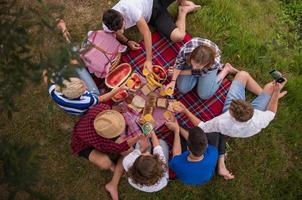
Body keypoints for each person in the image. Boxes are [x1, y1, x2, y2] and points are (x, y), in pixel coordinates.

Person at [102, 0, 201, 71]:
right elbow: (116, 32)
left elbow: (146, 33)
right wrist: (127, 41)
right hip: (154, 16)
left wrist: (149, 60)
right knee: (178, 36)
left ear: (122, 16)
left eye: (122, 27)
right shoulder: (107, 25)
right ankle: (183, 11)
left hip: (155, 2)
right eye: (118, 30)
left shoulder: (130, 8)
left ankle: (183, 1)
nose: (122, 31)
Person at [71, 103, 142, 200]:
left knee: (129, 152)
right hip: (82, 145)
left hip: (99, 128)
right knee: (105, 162)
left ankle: (113, 183)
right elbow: (121, 147)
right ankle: (113, 169)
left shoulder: (103, 108)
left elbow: (113, 108)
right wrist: (137, 138)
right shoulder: (104, 143)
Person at [199, 71, 288, 138]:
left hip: (235, 122)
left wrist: (186, 111)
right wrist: (276, 92)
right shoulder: (259, 120)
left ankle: (267, 97)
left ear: (231, 112)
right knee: (272, 87)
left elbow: (203, 127)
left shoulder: (222, 121)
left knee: (242, 74)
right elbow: (271, 112)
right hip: (251, 119)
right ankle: (268, 97)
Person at [166, 117, 233, 185]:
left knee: (178, 139)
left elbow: (176, 153)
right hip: (204, 175)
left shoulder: (178, 164)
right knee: (218, 132)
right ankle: (221, 165)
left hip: (187, 175)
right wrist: (178, 127)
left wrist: (176, 131)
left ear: (188, 148)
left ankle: (221, 166)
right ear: (206, 145)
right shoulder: (213, 152)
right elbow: (192, 140)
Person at [166, 38, 238, 99]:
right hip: (198, 62)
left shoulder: (213, 63)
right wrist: (173, 81)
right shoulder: (186, 50)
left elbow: (197, 72)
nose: (194, 67)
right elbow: (179, 64)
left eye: (198, 66)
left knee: (204, 95)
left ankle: (226, 69)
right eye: (193, 63)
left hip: (206, 69)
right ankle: (200, 79)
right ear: (191, 56)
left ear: (206, 64)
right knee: (182, 89)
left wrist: (179, 73)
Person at [48, 77, 126, 115]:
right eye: (84, 89)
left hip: (69, 108)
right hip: (83, 110)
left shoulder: (53, 90)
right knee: (96, 93)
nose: (86, 86)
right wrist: (117, 89)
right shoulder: (87, 100)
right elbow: (103, 99)